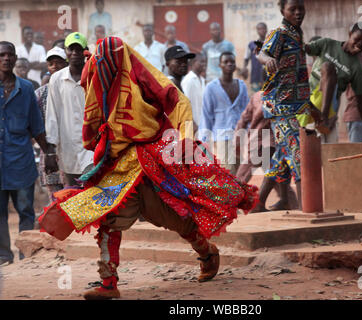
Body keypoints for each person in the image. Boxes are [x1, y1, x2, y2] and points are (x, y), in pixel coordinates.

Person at [38, 37, 258, 299]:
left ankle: (207, 252)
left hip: (154, 158)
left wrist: (185, 140)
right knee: (111, 217)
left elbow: (180, 103)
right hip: (120, 164)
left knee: (173, 217)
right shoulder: (96, 74)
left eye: (108, 62)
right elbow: (92, 121)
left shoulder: (140, 74)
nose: (103, 67)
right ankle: (109, 283)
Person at [0, 41, 56, 266]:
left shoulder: (25, 89)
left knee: (25, 209)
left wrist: (49, 154)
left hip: (21, 161)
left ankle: (26, 254)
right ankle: (3, 255)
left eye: (9, 55)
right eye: (1, 55)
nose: (5, 59)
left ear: (15, 58)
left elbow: (36, 125)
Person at [255, 0, 310, 212]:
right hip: (281, 106)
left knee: (281, 156)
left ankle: (259, 202)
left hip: (296, 104)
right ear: (282, 11)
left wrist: (309, 105)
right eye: (292, 9)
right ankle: (308, 208)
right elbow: (261, 53)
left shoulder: (298, 34)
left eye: (300, 9)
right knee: (298, 153)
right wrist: (267, 60)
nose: (297, 13)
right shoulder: (279, 33)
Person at [300, 23, 362, 143]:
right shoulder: (327, 44)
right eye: (357, 39)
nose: (361, 44)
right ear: (350, 34)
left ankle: (323, 117)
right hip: (309, 100)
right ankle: (320, 118)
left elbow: (361, 102)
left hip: (328, 109)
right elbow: (305, 49)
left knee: (328, 153)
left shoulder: (356, 68)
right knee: (304, 150)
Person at [45, 32, 94, 188]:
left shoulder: (94, 76)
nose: (75, 53)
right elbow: (52, 115)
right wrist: (50, 151)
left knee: (93, 192)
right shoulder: (57, 79)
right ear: (66, 51)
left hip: (92, 147)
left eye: (79, 49)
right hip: (67, 147)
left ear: (85, 51)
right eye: (71, 49)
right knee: (72, 194)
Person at [198, 52, 248, 175]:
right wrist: (203, 140)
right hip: (221, 137)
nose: (229, 64)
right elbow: (206, 115)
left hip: (239, 135)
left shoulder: (242, 86)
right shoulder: (211, 88)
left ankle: (239, 194)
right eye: (226, 62)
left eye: (232, 62)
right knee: (228, 171)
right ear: (220, 65)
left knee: (239, 172)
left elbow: (247, 112)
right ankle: (230, 194)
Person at [35, 47, 68, 199]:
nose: (54, 66)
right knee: (54, 199)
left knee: (72, 196)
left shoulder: (74, 88)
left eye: (58, 62)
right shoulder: (40, 94)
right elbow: (35, 125)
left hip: (70, 151)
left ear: (66, 64)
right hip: (48, 151)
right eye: (51, 63)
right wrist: (48, 150)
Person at [181, 53, 206, 129]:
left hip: (201, 124)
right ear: (193, 63)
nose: (204, 64)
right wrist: (192, 123)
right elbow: (185, 104)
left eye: (205, 62)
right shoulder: (188, 80)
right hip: (191, 125)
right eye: (201, 62)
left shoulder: (202, 80)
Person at [242, 22, 267, 92]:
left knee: (268, 100)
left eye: (263, 28)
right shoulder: (252, 44)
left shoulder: (271, 43)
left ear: (266, 30)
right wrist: (244, 68)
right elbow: (246, 58)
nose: (261, 30)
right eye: (259, 29)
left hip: (269, 77)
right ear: (257, 31)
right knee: (256, 98)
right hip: (256, 77)